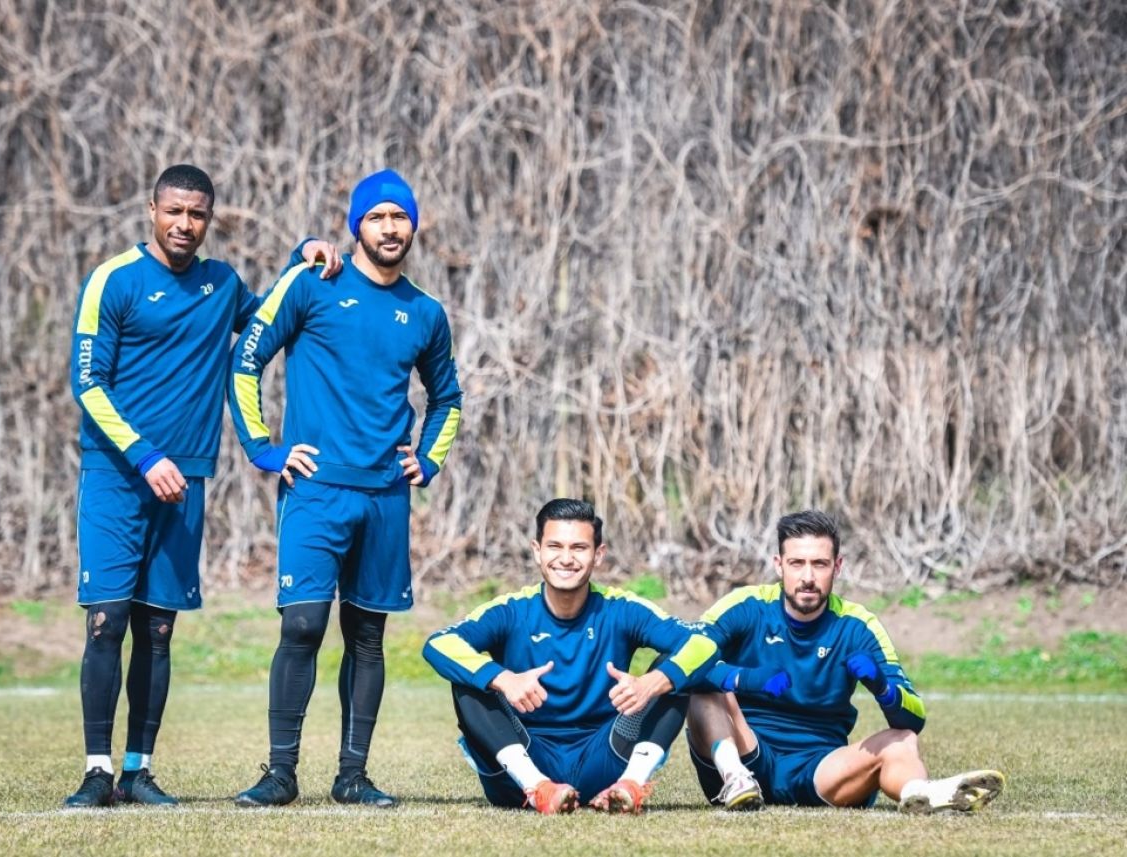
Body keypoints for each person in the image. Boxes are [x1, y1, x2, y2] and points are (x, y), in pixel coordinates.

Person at [66, 164, 340, 808]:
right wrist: (144, 456)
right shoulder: (113, 280)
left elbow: (269, 318)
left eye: (197, 214)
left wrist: (301, 257)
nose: (184, 224)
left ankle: (137, 771)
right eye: (174, 211)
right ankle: (97, 772)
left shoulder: (222, 284)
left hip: (187, 478)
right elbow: (88, 383)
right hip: (117, 474)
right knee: (107, 621)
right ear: (151, 210)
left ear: (209, 219)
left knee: (158, 629)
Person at [228, 169, 463, 808]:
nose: (389, 228)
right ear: (357, 225)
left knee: (367, 636)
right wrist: (264, 448)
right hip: (316, 491)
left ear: (413, 226)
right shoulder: (312, 284)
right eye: (376, 217)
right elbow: (245, 360)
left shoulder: (426, 312)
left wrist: (428, 461)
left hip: (385, 497)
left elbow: (447, 398)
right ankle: (280, 774)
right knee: (303, 625)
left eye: (400, 217)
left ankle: (352, 776)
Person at [686, 509, 1005, 813]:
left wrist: (884, 689)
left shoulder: (858, 625)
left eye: (820, 564)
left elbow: (915, 718)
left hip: (821, 768)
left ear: (837, 567)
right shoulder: (746, 606)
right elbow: (685, 658)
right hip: (745, 751)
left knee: (902, 740)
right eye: (797, 563)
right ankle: (736, 779)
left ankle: (920, 794)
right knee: (703, 684)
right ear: (779, 565)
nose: (808, 577)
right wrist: (744, 678)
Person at [422, 498, 719, 814]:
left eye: (579, 548)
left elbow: (705, 644)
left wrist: (651, 683)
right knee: (470, 676)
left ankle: (630, 786)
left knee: (672, 670)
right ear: (537, 551)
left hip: (606, 760)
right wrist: (503, 679)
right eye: (555, 546)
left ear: (598, 555)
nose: (566, 559)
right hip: (522, 766)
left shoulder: (621, 609)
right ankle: (539, 789)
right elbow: (439, 644)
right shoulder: (511, 611)